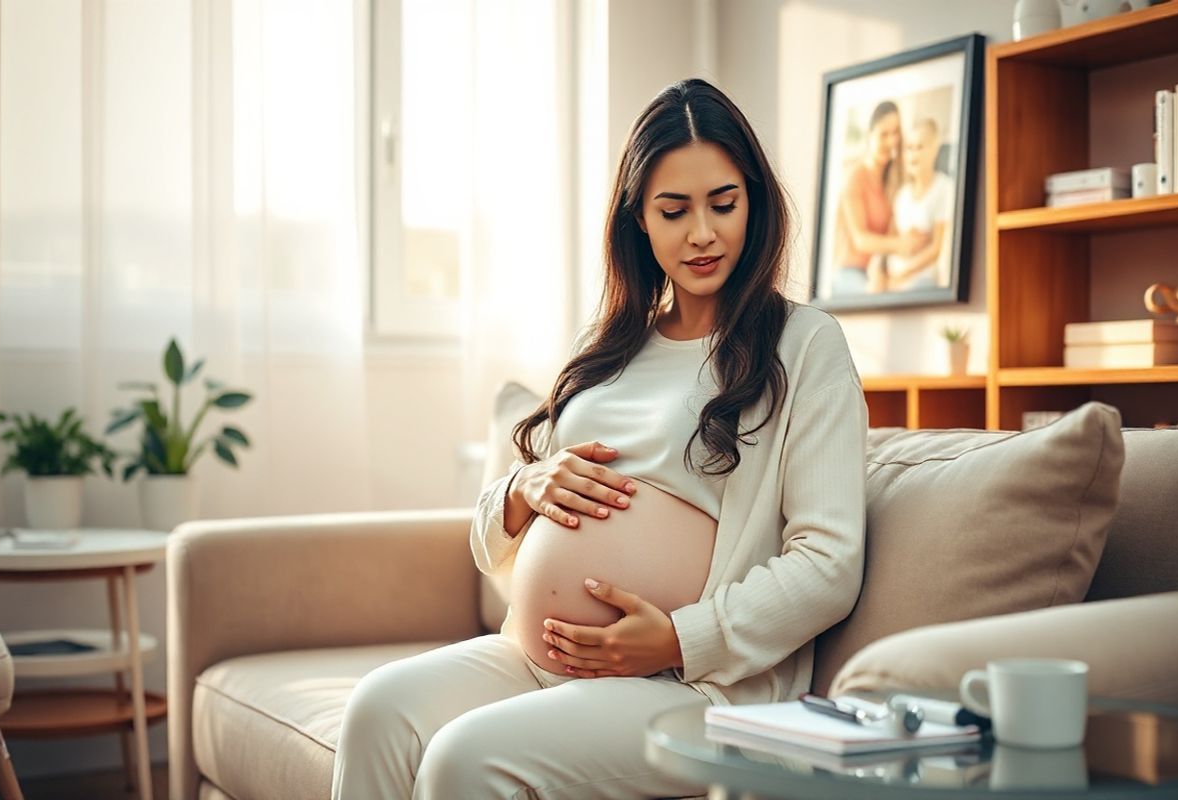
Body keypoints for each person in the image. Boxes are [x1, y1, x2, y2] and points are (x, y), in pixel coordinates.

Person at [331, 77, 867, 799]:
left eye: (724, 203)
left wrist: (682, 637)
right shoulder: (612, 347)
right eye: (673, 210)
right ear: (638, 219)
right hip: (534, 658)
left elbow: (829, 562)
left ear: (756, 201)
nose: (702, 232)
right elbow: (491, 541)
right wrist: (521, 490)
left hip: (692, 683)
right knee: (376, 711)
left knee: (464, 759)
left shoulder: (804, 346)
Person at [832, 99, 927, 295]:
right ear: (870, 135)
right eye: (884, 134)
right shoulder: (855, 177)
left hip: (876, 270)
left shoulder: (892, 182)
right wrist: (901, 244)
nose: (891, 141)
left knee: (920, 285)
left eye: (895, 133)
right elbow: (861, 240)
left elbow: (891, 234)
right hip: (850, 273)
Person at [872, 117, 954, 292]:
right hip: (894, 276)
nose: (913, 154)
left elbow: (936, 249)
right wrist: (883, 273)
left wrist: (902, 276)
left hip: (921, 278)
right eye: (909, 148)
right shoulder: (902, 196)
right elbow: (891, 239)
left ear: (934, 150)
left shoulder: (944, 188)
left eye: (920, 147)